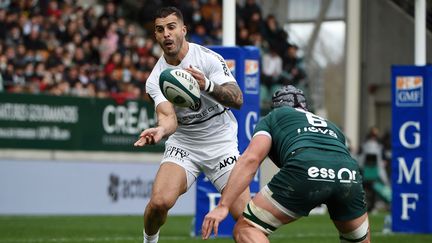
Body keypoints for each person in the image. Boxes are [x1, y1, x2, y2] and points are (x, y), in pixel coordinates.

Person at [133, 6, 250, 243]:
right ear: (155, 36)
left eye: (171, 27)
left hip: (220, 141)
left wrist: (207, 84)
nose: (166, 33)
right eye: (160, 29)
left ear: (183, 30)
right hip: (185, 141)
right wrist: (161, 130)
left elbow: (237, 99)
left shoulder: (207, 59)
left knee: (246, 218)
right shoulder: (156, 79)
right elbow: (168, 117)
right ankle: (149, 241)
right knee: (159, 203)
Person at [201, 85, 370, 243]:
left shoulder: (274, 116)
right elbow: (339, 156)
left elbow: (251, 159)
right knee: (358, 239)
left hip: (305, 169)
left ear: (277, 106)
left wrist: (223, 205)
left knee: (246, 227)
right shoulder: (332, 126)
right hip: (349, 174)